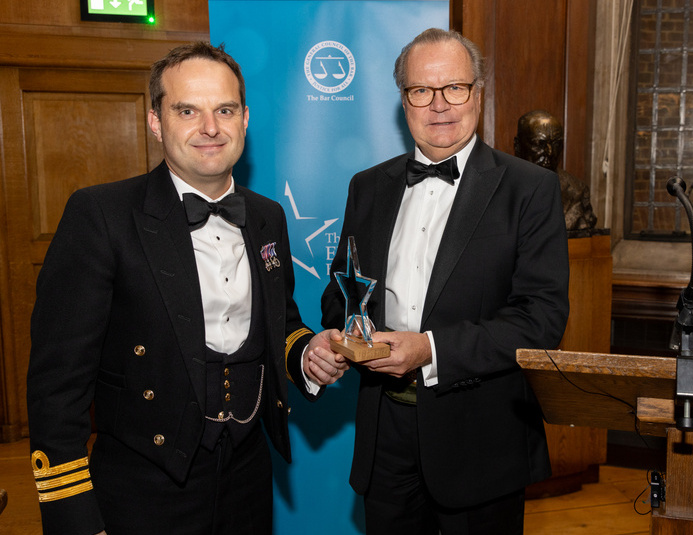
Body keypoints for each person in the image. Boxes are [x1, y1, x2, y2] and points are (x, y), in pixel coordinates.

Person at [27, 42, 348, 535]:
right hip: (144, 486)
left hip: (247, 475)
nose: (210, 128)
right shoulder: (102, 216)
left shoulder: (268, 217)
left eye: (224, 110)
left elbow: (279, 324)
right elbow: (57, 388)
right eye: (187, 111)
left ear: (245, 118)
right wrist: (73, 516)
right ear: (156, 122)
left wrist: (305, 353)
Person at [321, 28, 570, 534]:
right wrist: (343, 338)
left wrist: (430, 349)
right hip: (384, 434)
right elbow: (341, 294)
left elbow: (541, 320)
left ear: (478, 92)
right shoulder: (367, 187)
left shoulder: (530, 189)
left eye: (454, 87)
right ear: (403, 101)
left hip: (481, 440)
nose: (439, 105)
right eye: (421, 91)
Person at [514, 109, 597, 232]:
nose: (550, 152)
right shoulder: (498, 189)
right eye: (539, 144)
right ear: (518, 146)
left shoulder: (577, 192)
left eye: (556, 144)